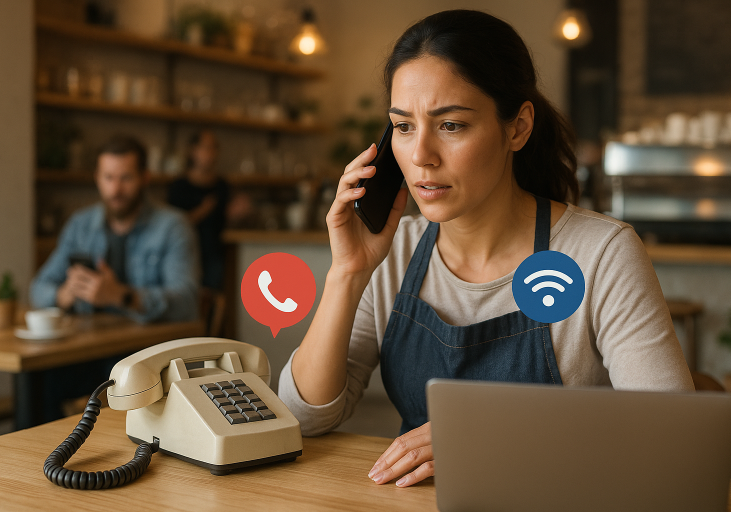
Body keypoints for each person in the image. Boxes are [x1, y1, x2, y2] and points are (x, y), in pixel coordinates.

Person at [278, 9, 693, 489]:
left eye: (450, 125)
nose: (420, 156)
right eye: (404, 127)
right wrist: (347, 274)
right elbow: (298, 417)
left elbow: (673, 440)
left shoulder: (601, 253)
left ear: (517, 128)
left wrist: (490, 435)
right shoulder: (394, 252)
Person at [31, 136, 199, 322]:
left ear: (145, 178)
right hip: (90, 343)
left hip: (151, 346)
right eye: (108, 177)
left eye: (126, 178)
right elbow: (38, 288)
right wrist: (63, 296)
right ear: (97, 178)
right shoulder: (80, 225)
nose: (115, 190)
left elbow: (187, 301)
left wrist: (122, 296)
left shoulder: (173, 226)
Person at [168, 129, 251, 291]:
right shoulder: (179, 186)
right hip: (185, 253)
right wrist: (203, 210)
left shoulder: (221, 185)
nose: (210, 153)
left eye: (214, 148)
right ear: (193, 151)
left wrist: (237, 214)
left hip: (215, 255)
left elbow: (226, 223)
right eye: (206, 148)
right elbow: (172, 224)